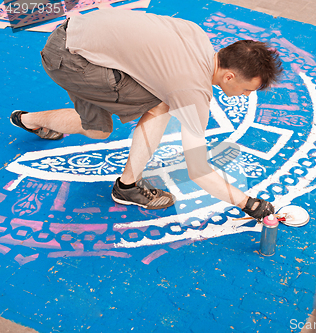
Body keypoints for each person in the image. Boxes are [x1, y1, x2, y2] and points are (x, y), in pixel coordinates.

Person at [10, 9, 282, 220]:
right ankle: (127, 187)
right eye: (247, 89)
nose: (246, 96)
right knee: (161, 103)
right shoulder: (192, 90)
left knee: (97, 130)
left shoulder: (196, 33)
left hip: (72, 38)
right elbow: (198, 170)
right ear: (230, 75)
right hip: (72, 61)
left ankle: (27, 120)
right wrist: (249, 203)